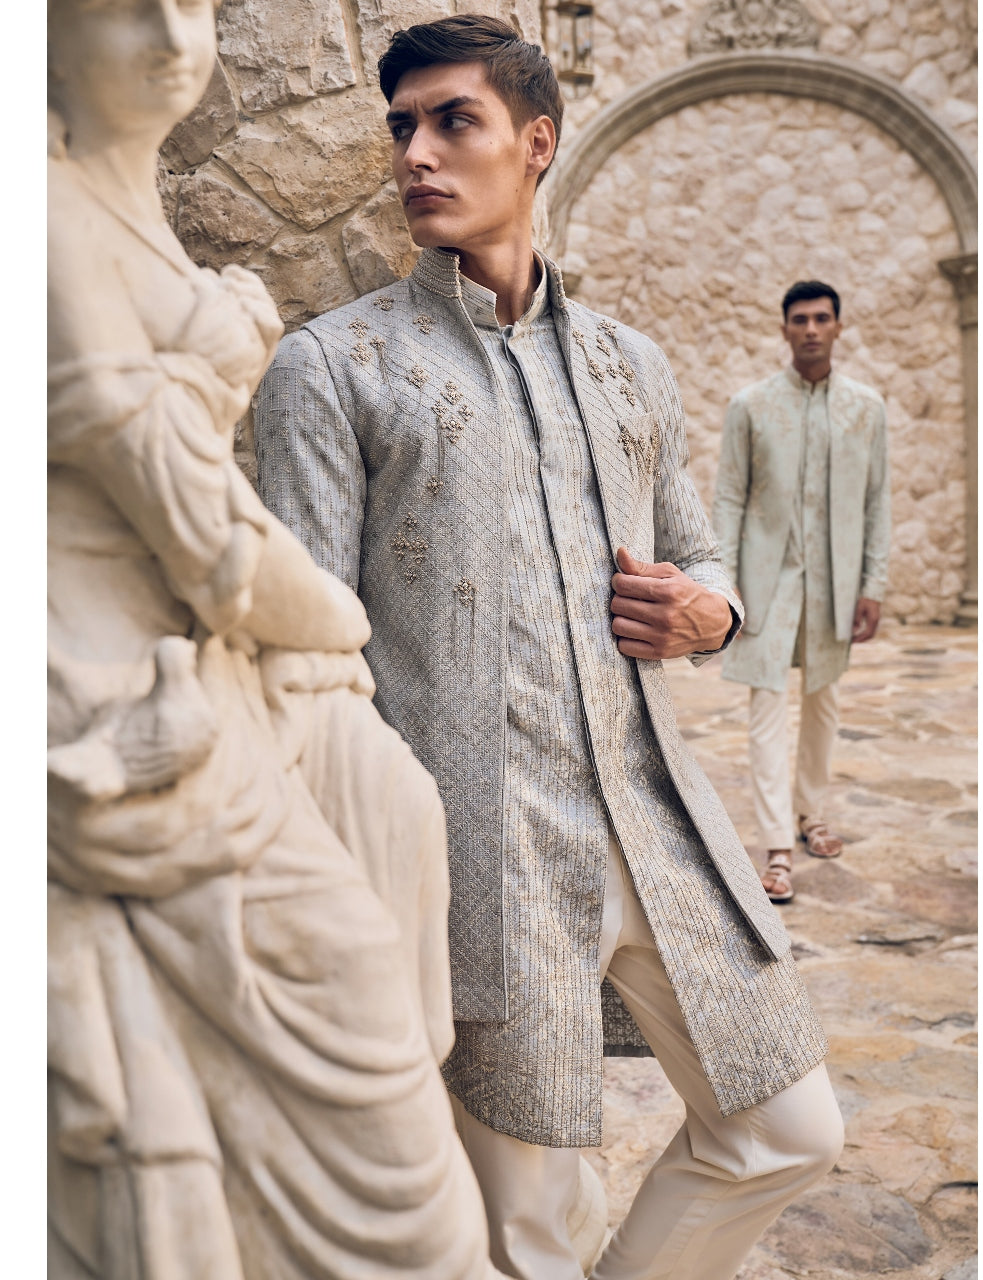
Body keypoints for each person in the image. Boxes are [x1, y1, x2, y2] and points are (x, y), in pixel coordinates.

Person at [254, 16, 844, 1280]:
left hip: (654, 819)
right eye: (401, 126)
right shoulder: (334, 367)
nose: (415, 153)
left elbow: (701, 553)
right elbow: (305, 661)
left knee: (789, 1130)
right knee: (525, 1231)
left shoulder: (631, 364)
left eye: (451, 120)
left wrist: (714, 614)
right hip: (483, 856)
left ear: (536, 142)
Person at [46, 1, 503, 1275]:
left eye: (191, 4)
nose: (170, 34)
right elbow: (202, 526)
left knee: (396, 815)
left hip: (225, 654)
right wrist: (335, 618)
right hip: (120, 680)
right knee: (387, 1104)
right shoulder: (44, 215)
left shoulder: (137, 219)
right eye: (123, 7)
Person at [712, 282, 890, 905]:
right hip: (766, 581)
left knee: (824, 700)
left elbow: (877, 502)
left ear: (838, 327)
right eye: (800, 320)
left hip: (834, 584)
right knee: (766, 705)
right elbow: (729, 497)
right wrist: (723, 579)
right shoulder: (751, 406)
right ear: (784, 329)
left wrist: (872, 584)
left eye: (821, 318)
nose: (811, 329)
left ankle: (813, 813)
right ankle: (776, 845)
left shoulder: (866, 408)